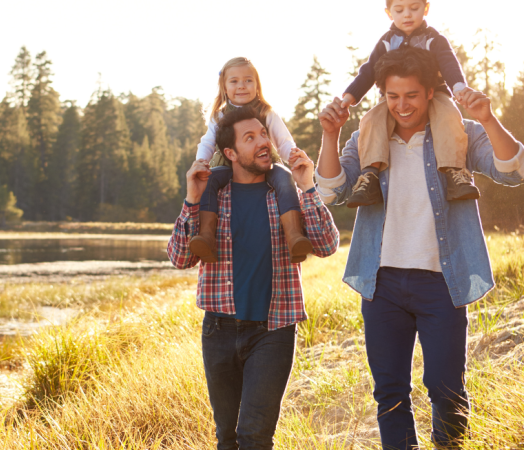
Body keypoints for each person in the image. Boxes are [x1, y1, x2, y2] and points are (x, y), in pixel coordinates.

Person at [316, 47, 524, 449]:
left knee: (446, 389)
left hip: (442, 282)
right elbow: (333, 190)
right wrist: (329, 133)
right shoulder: (368, 138)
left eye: (411, 95)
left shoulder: (457, 132)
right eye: (392, 97)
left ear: (430, 92)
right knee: (389, 390)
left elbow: (511, 169)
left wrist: (487, 117)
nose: (401, 106)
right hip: (383, 283)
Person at [168, 106, 339, 449]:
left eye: (263, 134)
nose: (264, 142)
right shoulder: (213, 197)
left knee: (255, 437)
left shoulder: (285, 192)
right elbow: (180, 257)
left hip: (273, 332)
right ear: (230, 153)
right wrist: (191, 197)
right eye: (251, 138)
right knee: (227, 438)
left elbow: (326, 245)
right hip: (219, 329)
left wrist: (307, 186)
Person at [339, 0, 479, 208]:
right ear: (389, 13)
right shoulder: (386, 42)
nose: (407, 15)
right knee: (371, 120)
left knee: (449, 115)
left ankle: (455, 172)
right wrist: (349, 97)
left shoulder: (433, 39)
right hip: (393, 99)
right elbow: (368, 72)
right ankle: (369, 176)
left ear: (426, 8)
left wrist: (458, 88)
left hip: (434, 94)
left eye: (414, 8)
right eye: (399, 10)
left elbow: (449, 63)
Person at [190, 57, 313, 264]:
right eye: (234, 81)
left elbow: (283, 140)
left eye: (248, 80)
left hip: (264, 165)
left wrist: (292, 156)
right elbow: (208, 142)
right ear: (224, 87)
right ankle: (206, 236)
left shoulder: (266, 112)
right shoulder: (219, 116)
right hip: (225, 166)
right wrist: (201, 162)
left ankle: (294, 236)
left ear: (257, 85)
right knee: (209, 181)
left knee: (284, 178)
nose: (242, 86)